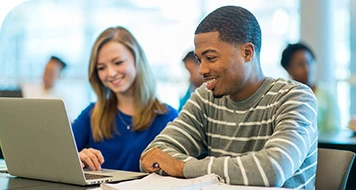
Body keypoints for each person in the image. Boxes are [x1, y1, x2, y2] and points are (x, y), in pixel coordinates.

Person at [140, 5, 318, 188]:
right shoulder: (205, 97)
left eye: (211, 58)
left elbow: (271, 170)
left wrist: (182, 167)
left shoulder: (296, 97)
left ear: (247, 53)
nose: (202, 70)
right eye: (200, 60)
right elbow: (153, 155)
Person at [71, 26, 178, 172]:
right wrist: (77, 158)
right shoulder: (91, 114)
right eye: (101, 68)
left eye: (118, 62)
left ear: (136, 60)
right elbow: (58, 157)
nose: (111, 73)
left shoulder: (166, 117)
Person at [281, 42, 341, 133]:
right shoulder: (283, 95)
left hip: (324, 146)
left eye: (309, 62)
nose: (307, 69)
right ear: (288, 68)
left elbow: (335, 128)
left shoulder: (326, 93)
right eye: (300, 64)